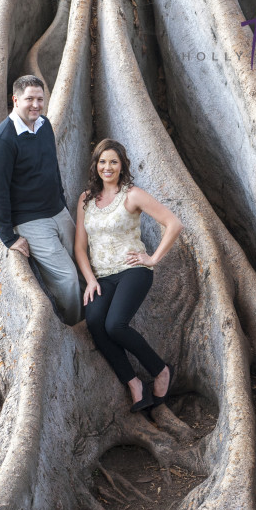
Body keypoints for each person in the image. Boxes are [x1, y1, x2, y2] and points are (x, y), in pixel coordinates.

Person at [75, 139, 183, 412]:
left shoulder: (132, 194)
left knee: (115, 325)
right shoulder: (86, 199)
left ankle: (161, 371)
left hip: (133, 272)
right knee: (95, 321)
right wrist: (90, 279)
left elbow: (173, 223)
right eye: (102, 161)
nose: (107, 167)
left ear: (121, 165)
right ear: (95, 165)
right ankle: (134, 383)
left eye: (113, 161)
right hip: (102, 277)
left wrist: (153, 258)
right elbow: (79, 247)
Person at [0, 75, 81, 325]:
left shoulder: (44, 125)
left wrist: (61, 200)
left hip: (58, 211)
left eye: (40, 99)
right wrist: (9, 237)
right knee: (68, 278)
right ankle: (78, 324)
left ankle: (96, 311)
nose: (36, 105)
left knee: (84, 260)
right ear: (15, 100)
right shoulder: (2, 142)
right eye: (30, 99)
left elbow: (53, 167)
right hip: (31, 220)